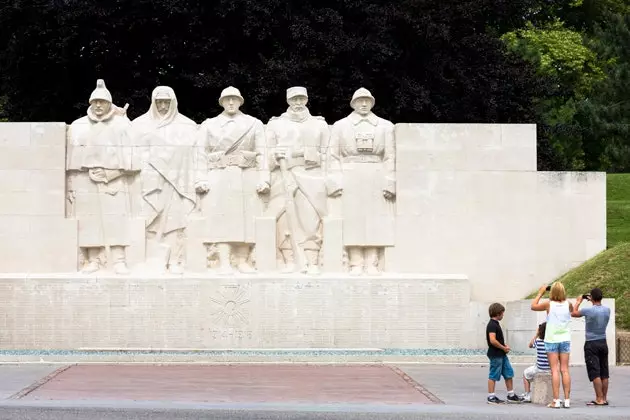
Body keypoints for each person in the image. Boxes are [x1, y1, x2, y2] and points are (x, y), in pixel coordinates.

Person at [66, 79, 137, 274]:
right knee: (89, 221)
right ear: (90, 103)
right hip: (85, 180)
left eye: (103, 102)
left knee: (117, 219)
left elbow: (132, 159)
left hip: (113, 180)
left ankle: (119, 260)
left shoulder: (122, 125)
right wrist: (71, 185)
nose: (98, 105)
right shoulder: (78, 125)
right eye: (95, 102)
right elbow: (71, 164)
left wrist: (111, 173)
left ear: (109, 104)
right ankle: (93, 259)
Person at [195, 87, 268, 274]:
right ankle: (224, 261)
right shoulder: (209, 125)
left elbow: (263, 153)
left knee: (246, 218)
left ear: (240, 101)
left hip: (246, 175)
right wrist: (200, 179)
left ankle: (242, 260)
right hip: (218, 175)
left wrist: (264, 179)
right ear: (221, 102)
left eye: (234, 99)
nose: (230, 103)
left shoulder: (254, 124)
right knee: (220, 218)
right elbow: (200, 154)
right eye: (227, 99)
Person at [328, 88, 396, 275]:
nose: (364, 104)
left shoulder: (385, 126)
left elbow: (390, 156)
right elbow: (332, 155)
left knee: (376, 219)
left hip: (376, 173)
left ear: (372, 103)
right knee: (352, 219)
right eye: (360, 101)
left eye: (367, 101)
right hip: (350, 174)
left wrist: (390, 181)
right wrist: (335, 180)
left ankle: (372, 262)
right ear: (353, 103)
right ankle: (355, 262)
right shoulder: (341, 126)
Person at [132, 86, 198, 274]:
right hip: (150, 184)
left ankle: (176, 259)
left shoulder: (187, 125)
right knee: (151, 220)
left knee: (176, 221)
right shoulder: (139, 124)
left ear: (173, 102)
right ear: (153, 102)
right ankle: (152, 259)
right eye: (158, 101)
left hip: (177, 183)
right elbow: (132, 150)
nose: (162, 105)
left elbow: (193, 152)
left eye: (166, 102)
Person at [265, 87, 331, 275]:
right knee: (284, 220)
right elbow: (266, 155)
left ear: (307, 99)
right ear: (288, 101)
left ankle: (311, 261)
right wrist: (274, 155)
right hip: (283, 176)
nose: (298, 102)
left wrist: (301, 154)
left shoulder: (319, 124)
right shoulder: (276, 124)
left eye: (301, 98)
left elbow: (328, 154)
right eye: (294, 99)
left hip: (311, 176)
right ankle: (289, 260)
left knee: (310, 219)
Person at [531, 282, 573, 408]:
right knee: (564, 370)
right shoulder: (568, 304)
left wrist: (541, 292)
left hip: (552, 340)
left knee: (554, 369)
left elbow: (533, 306)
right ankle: (567, 400)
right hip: (565, 339)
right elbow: (571, 311)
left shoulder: (549, 304)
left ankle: (556, 400)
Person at [571, 287, 611, 406]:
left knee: (595, 372)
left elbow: (573, 313)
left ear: (591, 298)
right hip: (603, 342)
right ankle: (604, 398)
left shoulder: (588, 311)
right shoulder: (607, 310)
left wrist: (578, 301)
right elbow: (597, 306)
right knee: (604, 372)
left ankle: (598, 399)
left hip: (591, 343)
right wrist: (593, 300)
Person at [485, 302, 523, 404]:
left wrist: (504, 346)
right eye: (502, 313)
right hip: (496, 354)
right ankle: (491, 396)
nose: (503, 315)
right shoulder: (492, 325)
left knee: (508, 373)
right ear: (498, 313)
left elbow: (497, 339)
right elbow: (492, 340)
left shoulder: (495, 324)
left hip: (501, 353)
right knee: (493, 375)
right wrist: (503, 348)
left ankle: (511, 395)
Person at [521, 322, 550, 402]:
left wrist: (536, 335)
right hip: (550, 369)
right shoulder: (551, 342)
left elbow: (530, 345)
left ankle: (527, 394)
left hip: (540, 368)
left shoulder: (538, 341)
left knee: (525, 373)